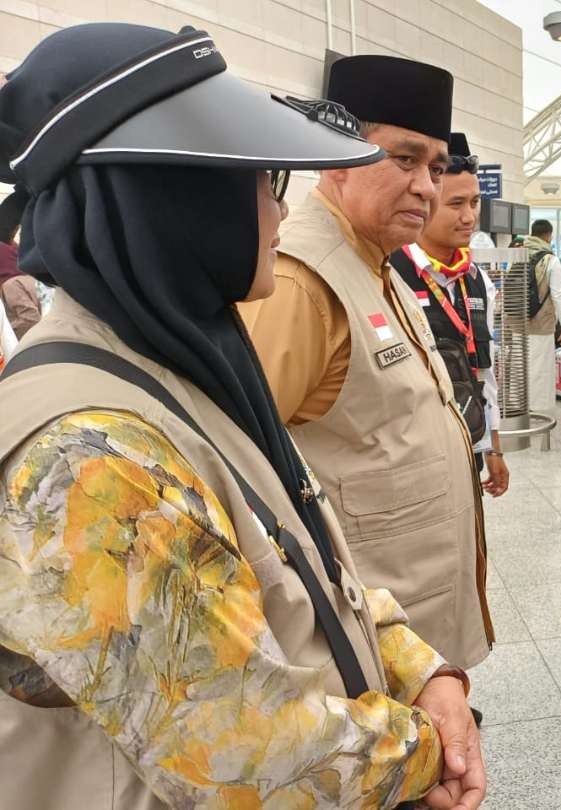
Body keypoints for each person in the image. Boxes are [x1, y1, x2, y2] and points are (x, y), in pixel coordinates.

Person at [0, 23, 483, 809]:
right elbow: (241, 751)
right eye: (262, 182)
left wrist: (425, 674)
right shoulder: (87, 455)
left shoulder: (174, 367)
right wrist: (434, 749)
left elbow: (305, 550)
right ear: (170, 198)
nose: (278, 214)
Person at [240, 55, 494, 676]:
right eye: (404, 159)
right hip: (366, 640)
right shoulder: (304, 282)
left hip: (413, 617)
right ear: (335, 154)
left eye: (434, 167)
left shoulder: (377, 264)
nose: (427, 187)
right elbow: (245, 480)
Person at [390, 131, 510, 499]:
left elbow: (484, 369)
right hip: (411, 458)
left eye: (474, 202)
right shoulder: (391, 272)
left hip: (468, 443)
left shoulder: (477, 281)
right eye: (456, 203)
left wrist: (493, 446)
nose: (469, 216)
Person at [523, 219, 561, 416]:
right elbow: (557, 295)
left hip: (516, 322)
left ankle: (519, 408)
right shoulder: (551, 260)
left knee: (520, 367)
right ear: (549, 235)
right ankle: (536, 412)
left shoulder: (518, 254)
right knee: (539, 369)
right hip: (540, 324)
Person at [0, 191, 41, 338]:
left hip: (14, 290)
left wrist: (8, 330)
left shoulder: (10, 285)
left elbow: (30, 319)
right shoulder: (15, 248)